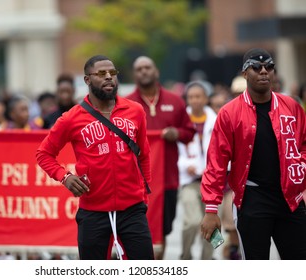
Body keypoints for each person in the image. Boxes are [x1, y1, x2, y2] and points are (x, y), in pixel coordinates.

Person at [36, 55, 154, 260]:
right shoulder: (71, 118)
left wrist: (143, 196)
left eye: (112, 73)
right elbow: (44, 154)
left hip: (132, 211)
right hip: (93, 212)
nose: (109, 77)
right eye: (101, 73)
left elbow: (143, 154)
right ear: (87, 80)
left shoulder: (134, 111)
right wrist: (64, 176)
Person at [200, 48, 306, 260]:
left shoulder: (292, 107)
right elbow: (216, 163)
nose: (264, 71)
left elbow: (303, 146)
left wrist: (300, 175)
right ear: (244, 73)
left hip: (290, 199)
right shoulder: (229, 113)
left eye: (269, 67)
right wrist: (211, 209)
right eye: (256, 67)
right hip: (252, 198)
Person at [126, 56, 195, 259]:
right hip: (135, 181)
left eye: (148, 67)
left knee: (162, 231)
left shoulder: (175, 101)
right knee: (136, 230)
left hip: (168, 181)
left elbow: (189, 132)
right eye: (139, 69)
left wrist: (177, 134)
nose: (144, 72)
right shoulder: (126, 104)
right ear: (134, 74)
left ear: (156, 71)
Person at [178, 81, 217, 260]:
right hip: (189, 181)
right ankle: (185, 257)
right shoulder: (181, 121)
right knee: (192, 221)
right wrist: (186, 165)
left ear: (206, 99)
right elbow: (175, 153)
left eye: (198, 96)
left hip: (212, 182)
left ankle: (207, 260)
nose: (195, 100)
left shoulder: (215, 119)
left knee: (212, 225)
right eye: (191, 97)